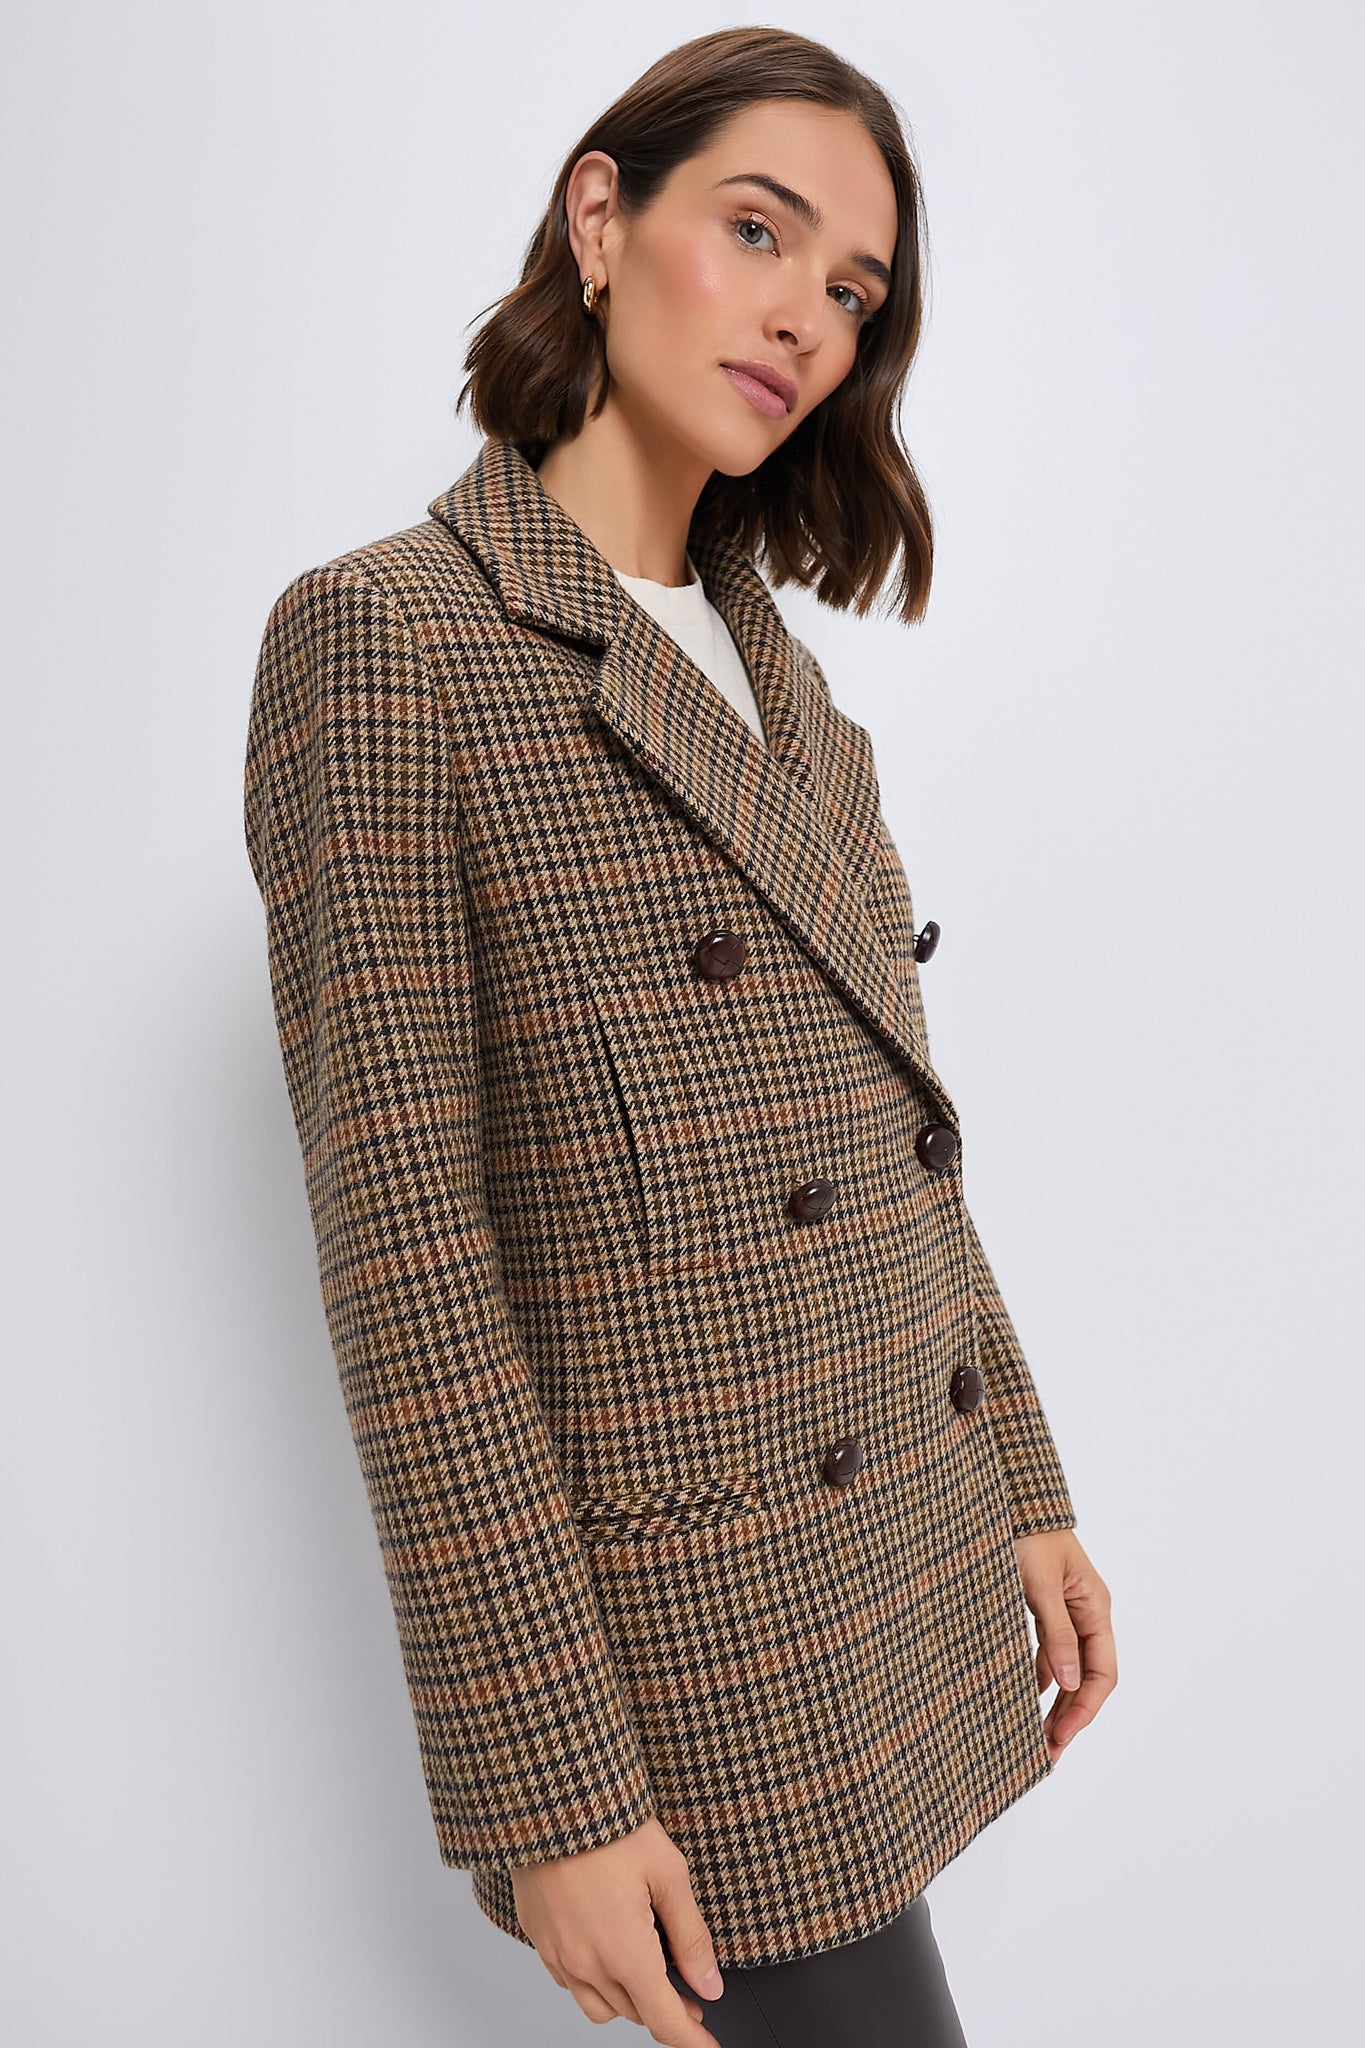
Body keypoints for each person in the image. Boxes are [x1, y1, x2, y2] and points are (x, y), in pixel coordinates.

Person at [243, 26, 1116, 2048]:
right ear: (599, 215)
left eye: (854, 293)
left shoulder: (793, 690)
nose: (805, 319)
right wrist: (548, 1784)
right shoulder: (386, 640)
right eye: (758, 231)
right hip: (683, 1663)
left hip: (893, 1572)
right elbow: (407, 1265)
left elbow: (901, 1147)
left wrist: (1020, 1480)